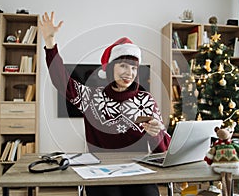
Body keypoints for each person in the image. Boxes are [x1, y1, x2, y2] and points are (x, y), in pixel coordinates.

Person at [40, 11, 171, 196]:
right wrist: (50, 43)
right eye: (123, 65)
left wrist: (156, 133)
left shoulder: (146, 100)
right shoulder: (92, 97)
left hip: (137, 171)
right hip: (100, 170)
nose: (129, 72)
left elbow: (163, 151)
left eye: (133, 67)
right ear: (111, 68)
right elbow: (61, 81)